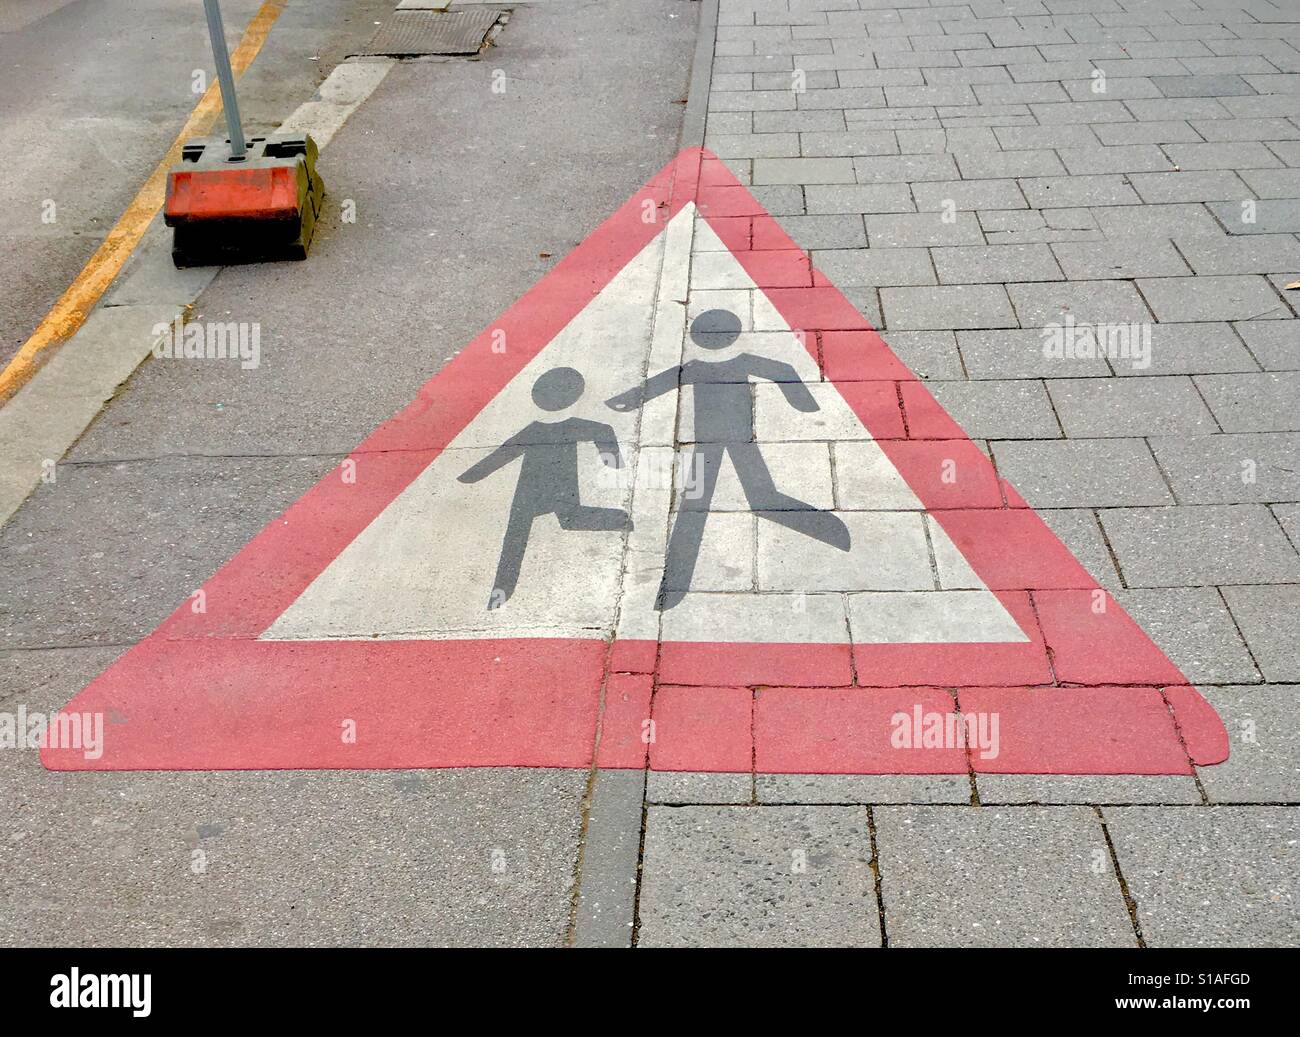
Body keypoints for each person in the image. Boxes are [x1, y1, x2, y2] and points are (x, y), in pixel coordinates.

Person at [608, 308, 849, 611]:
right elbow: (782, 369)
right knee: (717, 501)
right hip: (720, 444)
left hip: (726, 442)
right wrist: (804, 404)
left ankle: (827, 528)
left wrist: (628, 399)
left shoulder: (697, 367)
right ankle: (671, 589)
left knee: (713, 502)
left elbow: (779, 369)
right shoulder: (718, 365)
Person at [459, 366, 630, 609]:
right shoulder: (569, 426)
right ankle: (501, 591)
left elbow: (503, 454)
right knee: (558, 522)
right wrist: (612, 460)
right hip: (547, 491)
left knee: (519, 535)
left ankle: (501, 591)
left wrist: (472, 476)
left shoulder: (533, 430)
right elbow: (603, 430)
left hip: (530, 492)